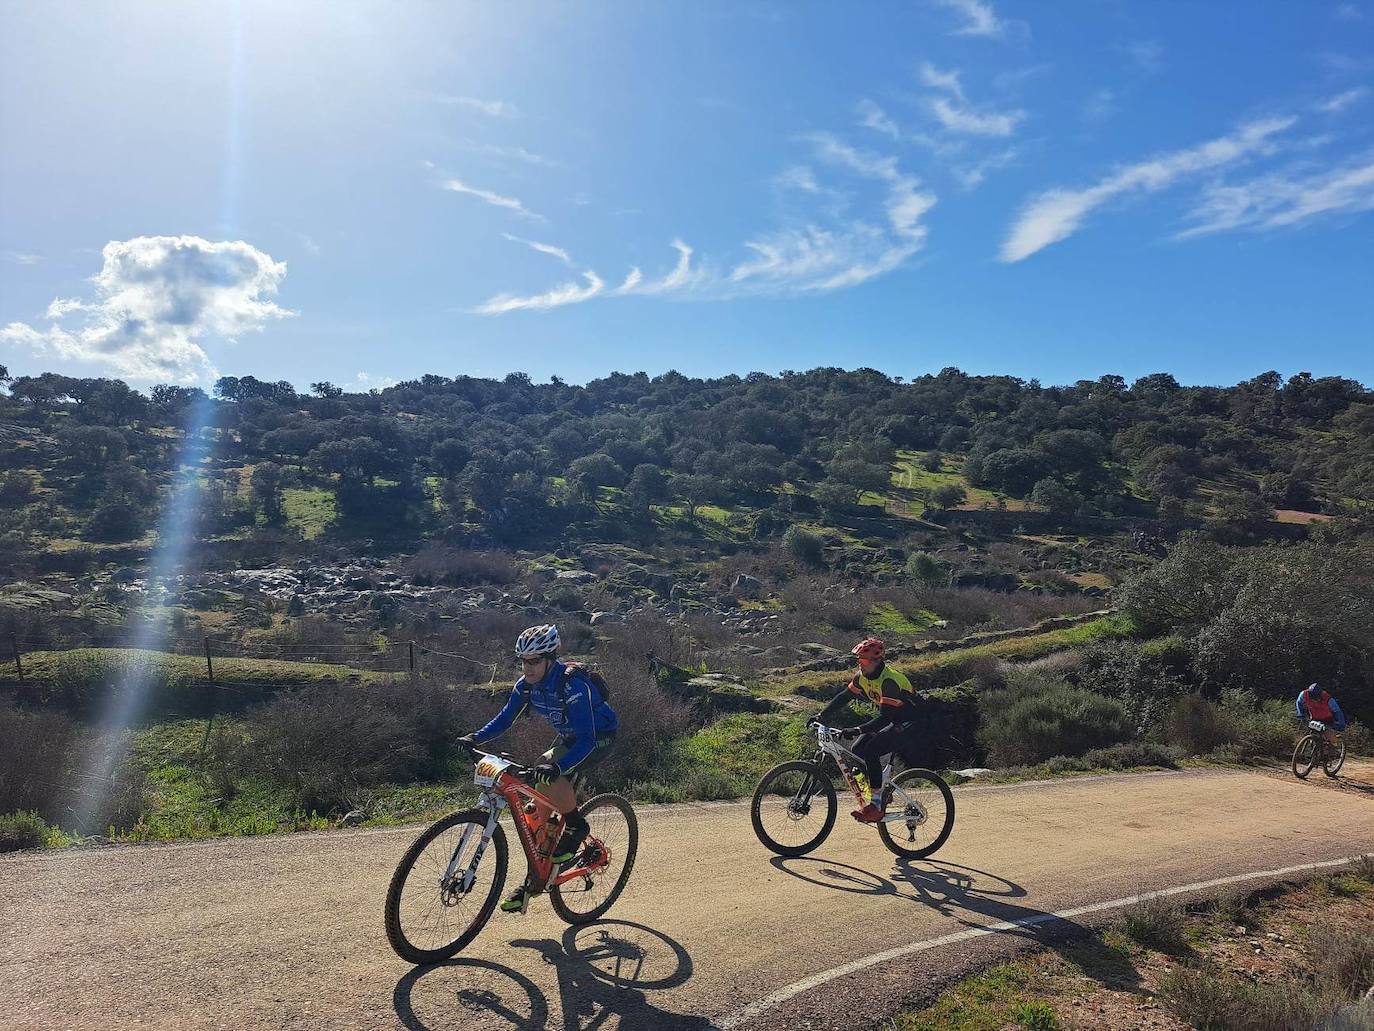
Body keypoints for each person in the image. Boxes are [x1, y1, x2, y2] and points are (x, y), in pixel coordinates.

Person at [457, 624, 619, 914]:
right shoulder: (526, 686)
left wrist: (558, 767)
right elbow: (506, 718)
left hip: (598, 736)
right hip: (572, 736)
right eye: (523, 661)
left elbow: (587, 739)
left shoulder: (572, 686)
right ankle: (536, 880)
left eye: (533, 662)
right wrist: (475, 737)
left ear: (550, 658)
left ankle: (577, 825)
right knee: (536, 812)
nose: (527, 668)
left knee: (549, 774)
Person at [813, 637, 923, 824]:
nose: (860, 665)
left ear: (877, 661)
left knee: (871, 749)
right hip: (892, 719)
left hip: (910, 722)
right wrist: (821, 715)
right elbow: (844, 697)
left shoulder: (889, 681)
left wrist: (857, 729)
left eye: (863, 661)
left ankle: (877, 804)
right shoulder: (862, 676)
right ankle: (878, 794)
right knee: (857, 749)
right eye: (859, 660)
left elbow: (885, 718)